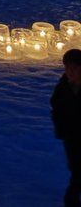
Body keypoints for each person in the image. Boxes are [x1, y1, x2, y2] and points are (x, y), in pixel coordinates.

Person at [51, 48, 81, 207]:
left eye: (74, 68)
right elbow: (55, 105)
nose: (70, 71)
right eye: (67, 67)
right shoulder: (63, 86)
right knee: (76, 170)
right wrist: (61, 127)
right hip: (71, 137)